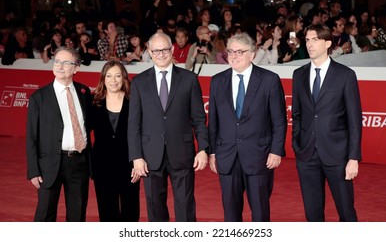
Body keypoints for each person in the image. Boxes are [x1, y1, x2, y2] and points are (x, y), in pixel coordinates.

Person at [128, 32, 209, 222]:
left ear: (172, 49)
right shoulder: (139, 82)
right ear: (149, 51)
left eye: (164, 49)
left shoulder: (189, 79)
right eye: (156, 50)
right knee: (155, 206)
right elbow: (134, 122)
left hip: (182, 152)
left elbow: (199, 119)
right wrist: (136, 157)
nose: (161, 54)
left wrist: (204, 148)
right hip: (150, 155)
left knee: (185, 205)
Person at [208, 33, 287, 221]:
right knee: (231, 214)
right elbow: (213, 121)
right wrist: (212, 152)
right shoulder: (218, 81)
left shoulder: (269, 80)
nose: (233, 56)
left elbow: (279, 120)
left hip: (259, 156)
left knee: (259, 213)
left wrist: (276, 151)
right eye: (230, 51)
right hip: (227, 156)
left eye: (239, 52)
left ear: (252, 54)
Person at [292, 24, 362, 222]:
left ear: (328, 43)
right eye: (307, 40)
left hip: (338, 155)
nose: (310, 44)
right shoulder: (299, 74)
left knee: (346, 212)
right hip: (306, 154)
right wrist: (297, 143)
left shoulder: (345, 75)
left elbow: (354, 120)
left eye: (315, 39)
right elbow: (296, 114)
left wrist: (353, 157)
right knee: (312, 214)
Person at [26, 47, 92, 221]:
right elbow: (32, 137)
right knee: (45, 215)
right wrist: (33, 170)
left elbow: (89, 125)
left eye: (65, 62)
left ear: (76, 67)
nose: (59, 66)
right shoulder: (39, 97)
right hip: (49, 164)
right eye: (57, 61)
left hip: (79, 162)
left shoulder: (84, 93)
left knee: (77, 216)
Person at [90, 61, 140, 221]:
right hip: (102, 167)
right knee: (107, 212)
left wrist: (139, 161)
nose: (113, 80)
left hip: (129, 166)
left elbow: (142, 133)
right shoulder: (93, 102)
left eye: (118, 75)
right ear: (103, 79)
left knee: (130, 211)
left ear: (124, 78)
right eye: (109, 76)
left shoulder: (134, 102)